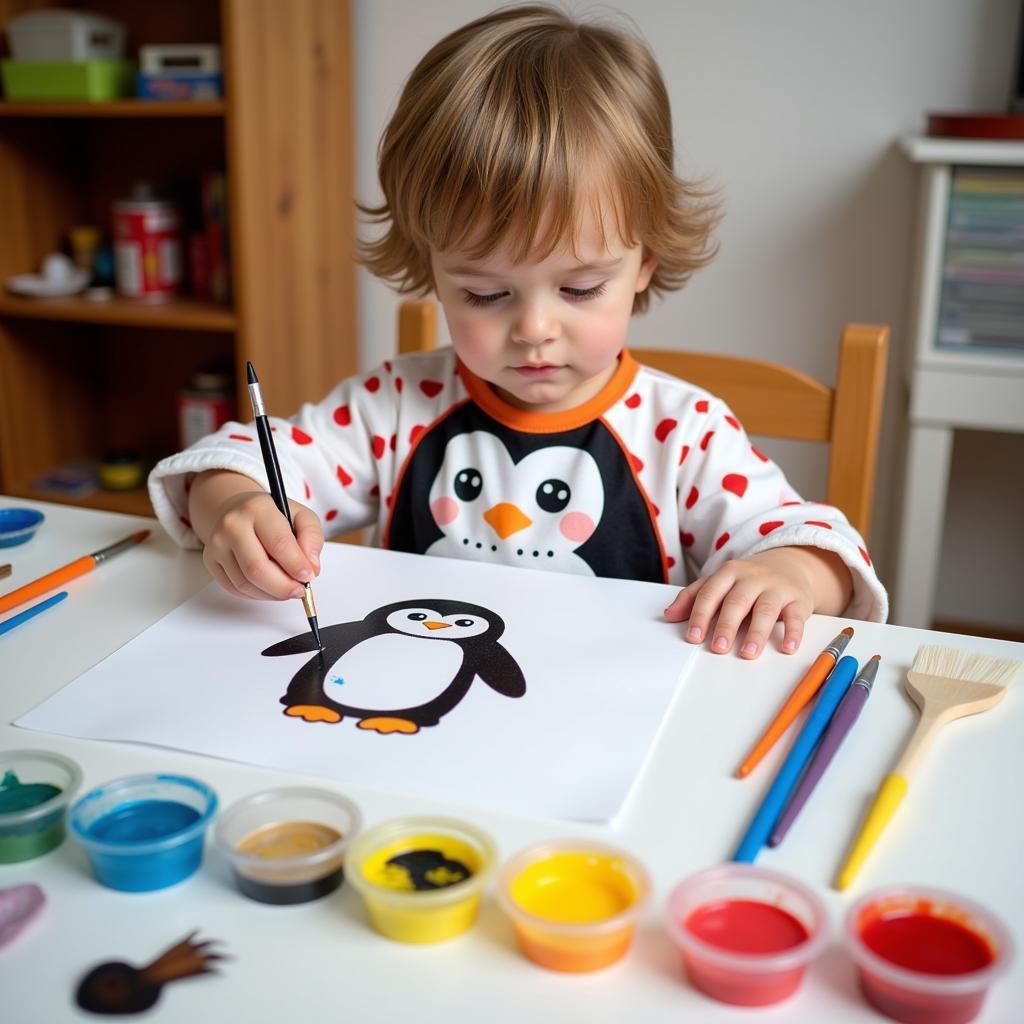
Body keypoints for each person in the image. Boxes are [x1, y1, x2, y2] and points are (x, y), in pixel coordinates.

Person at [149, 3, 886, 661]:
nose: (535, 328)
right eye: (486, 292)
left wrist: (787, 573)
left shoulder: (683, 435)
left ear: (644, 263)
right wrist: (237, 507)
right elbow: (241, 458)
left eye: (580, 287)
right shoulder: (393, 406)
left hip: (605, 740)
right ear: (430, 271)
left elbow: (817, 545)